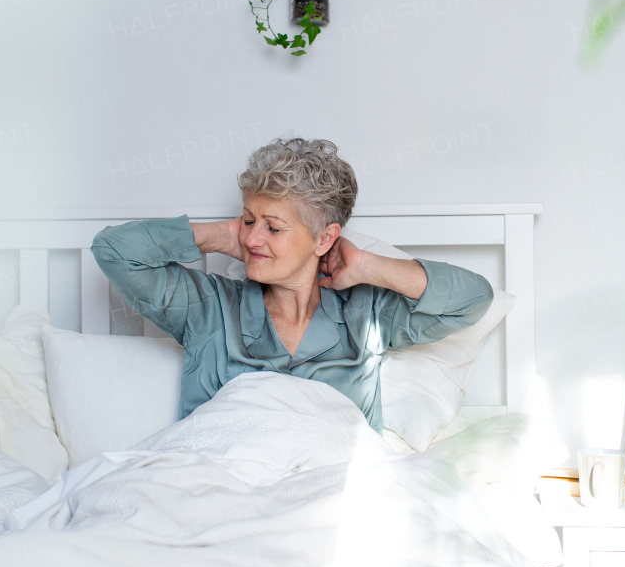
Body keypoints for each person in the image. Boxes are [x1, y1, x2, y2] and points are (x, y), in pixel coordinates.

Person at [91, 137, 494, 432]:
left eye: (273, 227)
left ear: (324, 239)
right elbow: (113, 250)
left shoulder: (368, 315)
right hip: (220, 488)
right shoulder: (207, 307)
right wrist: (220, 235)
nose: (252, 239)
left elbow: (473, 300)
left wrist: (368, 265)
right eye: (248, 220)